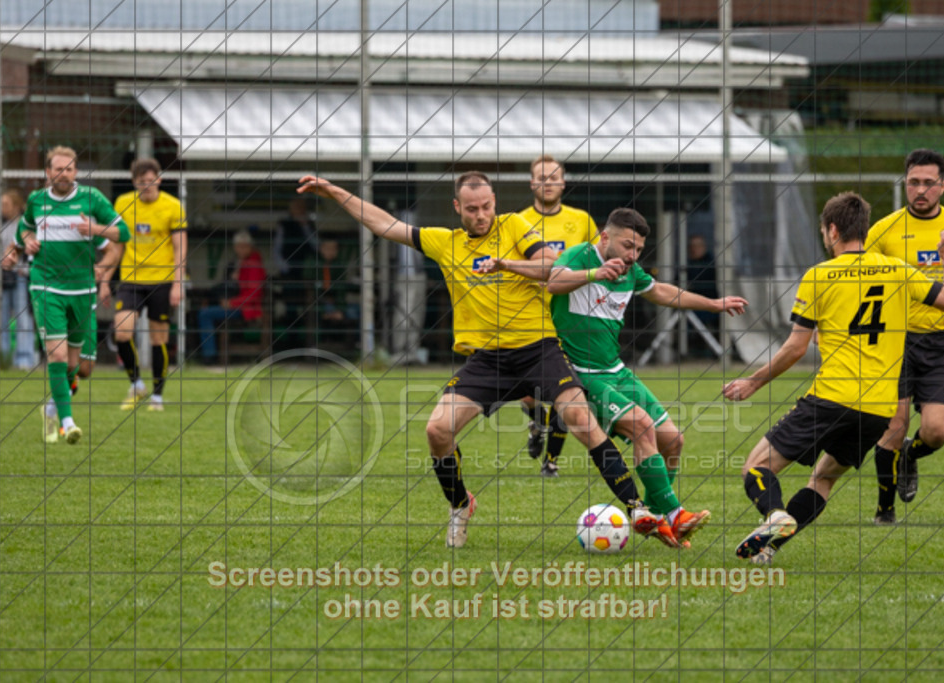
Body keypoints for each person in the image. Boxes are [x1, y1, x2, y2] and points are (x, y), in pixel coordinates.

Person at [297, 172, 694, 549]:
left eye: (486, 206)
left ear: (494, 203)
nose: (481, 215)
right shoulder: (444, 242)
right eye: (472, 209)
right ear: (457, 207)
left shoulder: (515, 227)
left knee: (580, 420)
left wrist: (507, 264)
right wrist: (334, 191)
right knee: (437, 431)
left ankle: (637, 508)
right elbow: (384, 225)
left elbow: (549, 268)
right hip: (487, 361)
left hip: (539, 348)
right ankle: (460, 504)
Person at [723, 192, 944, 565]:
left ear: (832, 230)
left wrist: (753, 382)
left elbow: (795, 349)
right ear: (864, 230)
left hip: (832, 396)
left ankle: (774, 516)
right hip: (879, 408)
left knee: (756, 467)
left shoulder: (819, 276)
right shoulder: (898, 269)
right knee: (824, 479)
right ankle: (768, 548)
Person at [543, 207, 747, 540]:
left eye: (638, 249)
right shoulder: (581, 255)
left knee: (673, 441)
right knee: (641, 424)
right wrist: (595, 273)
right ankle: (675, 514)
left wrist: (715, 303)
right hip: (581, 372)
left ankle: (655, 519)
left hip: (616, 370)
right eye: (627, 246)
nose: (632, 255)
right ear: (605, 237)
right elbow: (553, 282)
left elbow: (663, 292)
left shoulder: (631, 271)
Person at [866, 149, 944, 525]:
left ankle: (910, 456)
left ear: (943, 185)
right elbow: (859, 284)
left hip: (940, 343)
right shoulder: (883, 231)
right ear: (905, 183)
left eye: (928, 183)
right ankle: (884, 511)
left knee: (936, 431)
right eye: (913, 183)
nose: (920, 190)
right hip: (895, 341)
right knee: (895, 424)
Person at [3, 146, 129, 445]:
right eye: (58, 169)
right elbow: (22, 232)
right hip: (46, 285)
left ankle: (51, 408)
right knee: (57, 355)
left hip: (82, 289)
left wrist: (95, 229)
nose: (63, 174)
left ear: (76, 172)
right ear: (48, 172)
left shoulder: (92, 199)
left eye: (69, 169)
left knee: (81, 368)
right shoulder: (37, 200)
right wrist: (22, 245)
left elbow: (122, 234)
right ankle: (68, 422)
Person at [517, 155, 600, 477]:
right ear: (531, 182)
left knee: (567, 390)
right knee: (528, 393)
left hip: (568, 315)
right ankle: (536, 421)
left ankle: (550, 462)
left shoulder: (581, 220)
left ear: (563, 183)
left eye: (553, 177)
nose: (547, 182)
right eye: (541, 177)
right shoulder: (518, 221)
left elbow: (593, 262)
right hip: (530, 315)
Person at [112, 158, 187, 411]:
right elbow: (117, 243)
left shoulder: (173, 206)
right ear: (134, 182)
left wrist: (178, 284)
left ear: (159, 179)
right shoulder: (123, 203)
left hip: (162, 280)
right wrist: (104, 276)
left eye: (151, 180)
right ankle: (137, 385)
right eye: (142, 182)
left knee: (159, 338)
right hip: (130, 279)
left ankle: (157, 397)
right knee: (122, 331)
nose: (147, 186)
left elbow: (180, 247)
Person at [197, 230, 266, 364]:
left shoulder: (254, 264)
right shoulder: (243, 262)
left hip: (247, 309)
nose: (238, 250)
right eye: (237, 247)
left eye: (242, 246)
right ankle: (209, 352)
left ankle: (209, 356)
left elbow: (254, 294)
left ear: (249, 247)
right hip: (240, 305)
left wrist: (232, 303)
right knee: (207, 308)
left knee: (204, 314)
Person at [0, 188, 36, 369]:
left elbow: (33, 251)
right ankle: (2, 357)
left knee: (23, 319)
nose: (2, 208)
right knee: (0, 318)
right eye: (0, 204)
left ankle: (24, 359)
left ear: (16, 206)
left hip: (19, 278)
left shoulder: (25, 225)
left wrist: (25, 270)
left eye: (6, 204)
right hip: (0, 279)